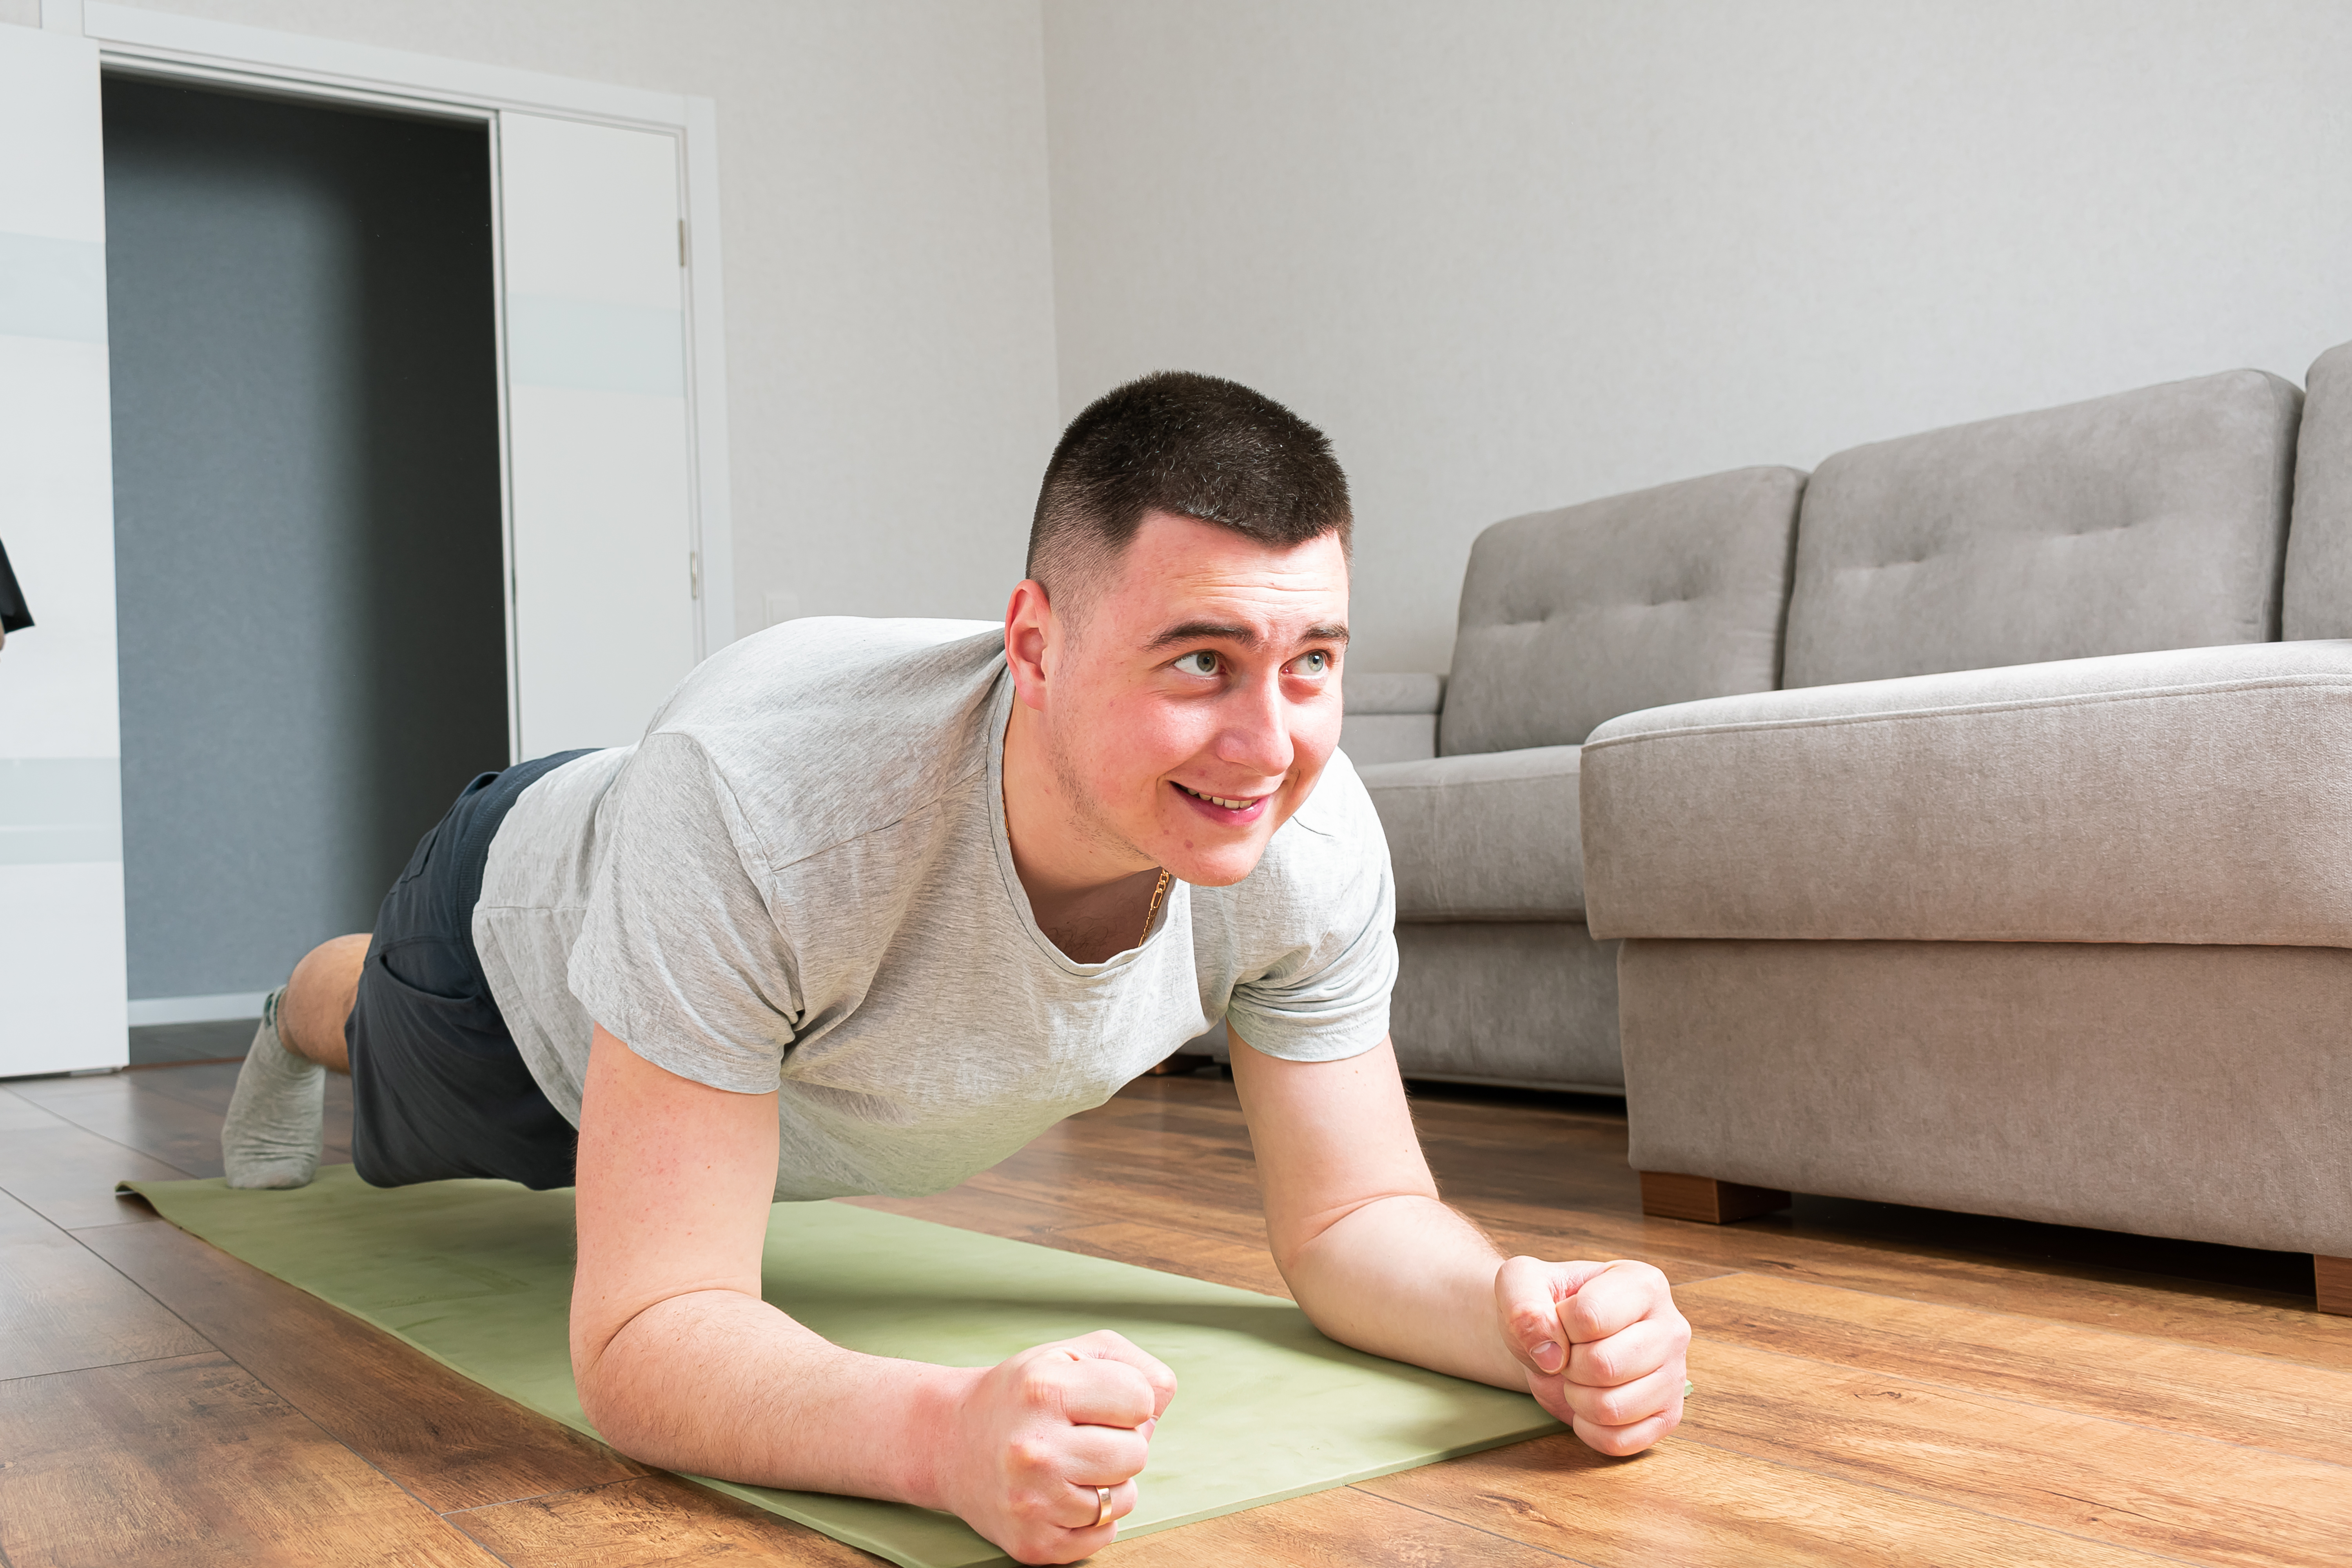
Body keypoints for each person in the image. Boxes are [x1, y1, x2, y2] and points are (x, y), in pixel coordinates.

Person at [221, 371, 1690, 1565]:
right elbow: (644, 1335)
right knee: (376, 1036)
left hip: (751, 955)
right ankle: (302, 1004)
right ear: (1034, 648)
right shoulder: (749, 806)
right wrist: (939, 1439)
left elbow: (1357, 1216)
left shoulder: (1309, 838)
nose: (1269, 746)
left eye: (1311, 660)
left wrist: (1524, 1319)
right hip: (505, 965)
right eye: (1201, 660)